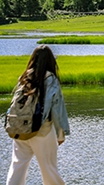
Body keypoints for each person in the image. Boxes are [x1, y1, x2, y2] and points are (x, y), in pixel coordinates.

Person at [5, 45, 70, 185]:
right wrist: (60, 134)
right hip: (42, 131)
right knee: (49, 168)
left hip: (20, 129)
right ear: (51, 61)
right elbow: (57, 109)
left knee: (18, 166)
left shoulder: (24, 77)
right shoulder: (51, 79)